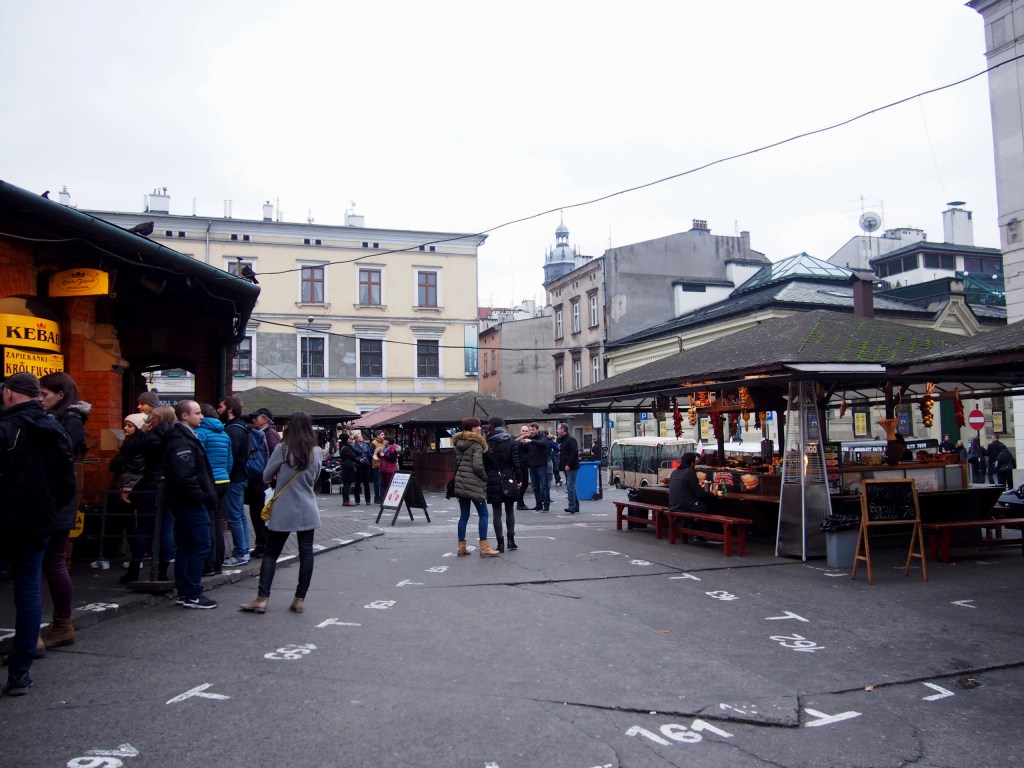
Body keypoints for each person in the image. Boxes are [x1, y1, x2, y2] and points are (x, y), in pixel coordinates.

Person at [0, 373, 76, 695]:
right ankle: (20, 672)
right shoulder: (57, 431)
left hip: (6, 520)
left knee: (30, 588)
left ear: (9, 394)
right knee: (29, 590)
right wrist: (48, 510)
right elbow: (67, 483)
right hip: (39, 521)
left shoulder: (7, 429)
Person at [240, 412, 323, 614]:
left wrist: (280, 476)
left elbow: (266, 475)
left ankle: (262, 599)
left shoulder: (282, 448)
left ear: (290, 427)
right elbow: (315, 478)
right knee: (306, 552)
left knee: (271, 553)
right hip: (307, 507)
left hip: (284, 507)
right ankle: (299, 599)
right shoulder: (317, 451)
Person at [37, 372, 91, 651]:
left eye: (44, 394)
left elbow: (57, 461)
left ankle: (60, 625)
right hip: (59, 501)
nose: (40, 398)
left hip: (55, 501)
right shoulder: (68, 420)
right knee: (51, 564)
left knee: (49, 564)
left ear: (60, 395)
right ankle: (60, 625)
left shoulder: (68, 422)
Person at [164, 400, 218, 609]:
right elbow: (185, 475)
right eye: (197, 413)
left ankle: (185, 591)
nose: (201, 416)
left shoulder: (185, 437)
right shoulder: (181, 441)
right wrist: (200, 496)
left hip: (184, 500)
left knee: (187, 547)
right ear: (184, 416)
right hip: (189, 502)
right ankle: (193, 593)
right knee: (201, 545)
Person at [109, 413, 148, 584]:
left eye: (130, 425)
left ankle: (135, 560)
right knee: (132, 524)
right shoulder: (137, 443)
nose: (125, 428)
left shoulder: (133, 445)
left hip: (129, 486)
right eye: (125, 424)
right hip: (133, 484)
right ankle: (134, 559)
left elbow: (115, 465)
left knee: (131, 524)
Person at [453, 417, 499, 557]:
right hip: (474, 484)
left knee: (464, 516)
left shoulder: (458, 443)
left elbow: (456, 463)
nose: (480, 428)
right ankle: (484, 547)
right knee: (483, 514)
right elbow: (477, 466)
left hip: (460, 482)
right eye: (478, 426)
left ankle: (461, 547)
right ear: (473, 429)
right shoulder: (477, 444)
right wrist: (485, 478)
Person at [196, 403, 232, 576]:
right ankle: (218, 562)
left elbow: (199, 459)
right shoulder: (224, 434)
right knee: (218, 521)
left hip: (209, 481)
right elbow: (229, 460)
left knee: (208, 521)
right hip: (224, 479)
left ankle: (208, 564)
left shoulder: (201, 433)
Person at [218, 396, 251, 566]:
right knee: (239, 516)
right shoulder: (241, 427)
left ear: (230, 409)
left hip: (234, 478)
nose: (218, 410)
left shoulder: (233, 430)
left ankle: (240, 553)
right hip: (240, 477)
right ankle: (244, 550)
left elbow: (231, 456)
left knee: (234, 516)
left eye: (221, 406)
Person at [485, 416, 523, 552]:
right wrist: (519, 478)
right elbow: (516, 462)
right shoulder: (511, 442)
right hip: (508, 476)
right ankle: (511, 541)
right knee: (509, 510)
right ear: (503, 426)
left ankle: (500, 543)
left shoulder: (487, 442)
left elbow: (485, 464)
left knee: (496, 512)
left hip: (493, 477)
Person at [247, 407, 281, 558]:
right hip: (261, 481)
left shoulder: (269, 434)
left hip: (263, 482)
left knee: (260, 513)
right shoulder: (265, 433)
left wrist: (272, 477)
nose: (253, 420)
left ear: (265, 419)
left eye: (257, 417)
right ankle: (262, 544)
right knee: (258, 513)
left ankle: (264, 545)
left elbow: (275, 457)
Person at [668, 452, 720, 537]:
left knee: (698, 503)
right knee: (711, 504)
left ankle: (697, 532)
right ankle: (714, 534)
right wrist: (712, 493)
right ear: (692, 463)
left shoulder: (674, 472)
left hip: (673, 505)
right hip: (684, 506)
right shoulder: (690, 472)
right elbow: (699, 494)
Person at [525, 423, 551, 511]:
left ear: (537, 430)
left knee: (544, 486)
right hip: (532, 466)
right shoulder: (529, 438)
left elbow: (542, 443)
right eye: (530, 430)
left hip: (541, 465)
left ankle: (546, 505)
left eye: (533, 430)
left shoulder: (543, 437)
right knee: (535, 487)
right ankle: (538, 504)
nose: (531, 431)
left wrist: (531, 441)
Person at [557, 423, 581, 514]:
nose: (557, 430)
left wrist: (568, 464)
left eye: (558, 429)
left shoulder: (571, 440)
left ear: (563, 429)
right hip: (566, 466)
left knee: (570, 486)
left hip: (571, 466)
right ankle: (576, 505)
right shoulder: (563, 440)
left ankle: (572, 506)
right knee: (571, 486)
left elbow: (574, 452)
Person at [337, 432, 359, 506]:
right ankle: (346, 500)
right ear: (346, 439)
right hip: (348, 466)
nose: (350, 439)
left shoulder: (342, 446)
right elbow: (353, 455)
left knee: (346, 484)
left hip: (345, 465)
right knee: (347, 484)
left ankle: (346, 500)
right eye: (349, 438)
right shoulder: (346, 448)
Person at [353, 432, 373, 504]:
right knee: (358, 482)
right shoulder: (354, 446)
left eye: (361, 436)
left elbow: (369, 454)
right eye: (360, 437)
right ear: (356, 439)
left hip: (366, 464)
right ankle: (357, 500)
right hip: (358, 465)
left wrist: (374, 455)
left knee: (366, 482)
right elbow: (353, 456)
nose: (361, 437)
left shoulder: (365, 445)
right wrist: (358, 459)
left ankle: (368, 500)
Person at [515, 425, 531, 510]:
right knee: (522, 484)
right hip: (520, 465)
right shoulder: (517, 441)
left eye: (526, 431)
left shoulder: (529, 441)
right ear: (520, 432)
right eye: (523, 431)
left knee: (524, 484)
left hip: (525, 465)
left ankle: (520, 502)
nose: (525, 432)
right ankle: (520, 503)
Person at [370, 430, 387, 503]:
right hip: (377, 464)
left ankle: (382, 497)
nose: (383, 436)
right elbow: (371, 453)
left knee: (382, 482)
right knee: (377, 482)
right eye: (382, 434)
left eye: (383, 434)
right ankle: (376, 498)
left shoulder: (384, 443)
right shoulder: (374, 443)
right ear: (377, 436)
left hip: (383, 464)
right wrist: (376, 457)